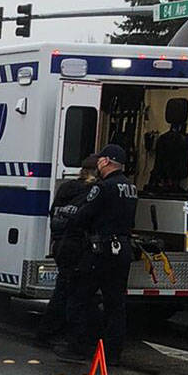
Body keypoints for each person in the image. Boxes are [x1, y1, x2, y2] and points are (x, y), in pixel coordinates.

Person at [57, 143, 138, 363]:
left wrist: (68, 219)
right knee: (116, 304)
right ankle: (113, 354)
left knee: (79, 297)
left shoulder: (102, 187)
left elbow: (85, 215)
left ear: (106, 162)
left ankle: (77, 347)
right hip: (122, 250)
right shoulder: (131, 187)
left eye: (101, 160)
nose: (99, 163)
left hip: (99, 251)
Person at [36, 155, 100, 347]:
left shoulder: (66, 188)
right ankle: (64, 336)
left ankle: (46, 333)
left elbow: (53, 213)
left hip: (60, 245)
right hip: (77, 248)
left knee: (63, 290)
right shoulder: (91, 192)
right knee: (73, 295)